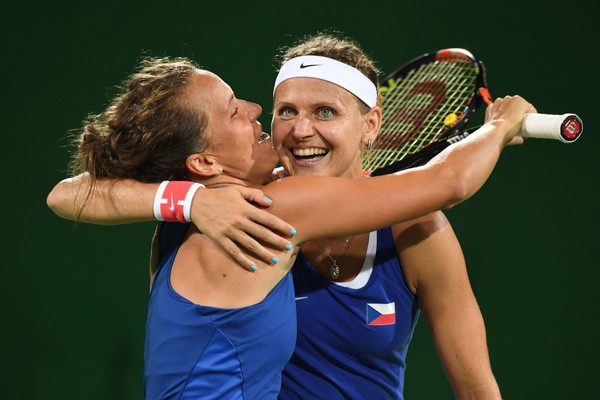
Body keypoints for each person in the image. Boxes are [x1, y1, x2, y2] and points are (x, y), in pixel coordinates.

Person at [47, 52, 532, 398]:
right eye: (243, 111)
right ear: (205, 163)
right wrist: (499, 126)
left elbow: (68, 193)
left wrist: (187, 199)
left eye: (324, 112)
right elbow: (449, 180)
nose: (282, 123)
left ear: (370, 126)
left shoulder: (184, 210)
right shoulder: (275, 206)